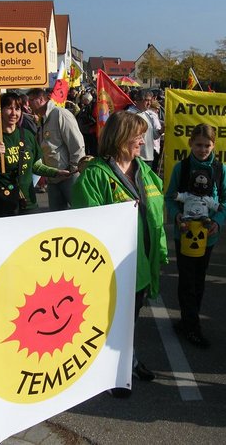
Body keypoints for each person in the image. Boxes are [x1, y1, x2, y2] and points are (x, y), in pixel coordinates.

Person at [72, 110, 168, 397]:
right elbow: (87, 224)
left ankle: (129, 361)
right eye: (137, 135)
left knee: (130, 319)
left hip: (139, 262)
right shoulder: (94, 176)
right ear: (120, 137)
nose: (141, 141)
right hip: (110, 267)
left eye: (142, 135)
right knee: (109, 321)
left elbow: (156, 213)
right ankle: (111, 373)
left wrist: (159, 249)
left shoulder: (145, 171)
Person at [165, 124, 226, 348]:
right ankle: (191, 325)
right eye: (198, 145)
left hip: (207, 236)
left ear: (214, 145)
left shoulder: (220, 169)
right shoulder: (181, 168)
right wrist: (176, 216)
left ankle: (189, 319)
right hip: (184, 233)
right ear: (190, 144)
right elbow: (170, 197)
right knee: (186, 280)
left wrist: (218, 221)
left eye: (207, 145)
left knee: (198, 279)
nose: (202, 149)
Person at [0, 92, 70, 218]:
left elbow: (36, 166)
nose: (14, 113)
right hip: (2, 202)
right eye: (9, 108)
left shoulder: (27, 135)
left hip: (28, 202)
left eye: (17, 109)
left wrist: (56, 172)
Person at [27, 87, 85, 211]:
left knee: (80, 211)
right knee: (57, 215)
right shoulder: (42, 119)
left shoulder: (60, 114)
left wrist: (73, 170)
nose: (28, 104)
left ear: (41, 99)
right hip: (53, 177)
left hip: (69, 175)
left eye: (31, 100)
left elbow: (76, 143)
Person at [126, 89, 162, 169]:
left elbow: (153, 135)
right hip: (137, 157)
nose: (149, 103)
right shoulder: (130, 114)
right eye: (146, 100)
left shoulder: (147, 114)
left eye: (150, 100)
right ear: (138, 100)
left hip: (148, 156)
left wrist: (161, 131)